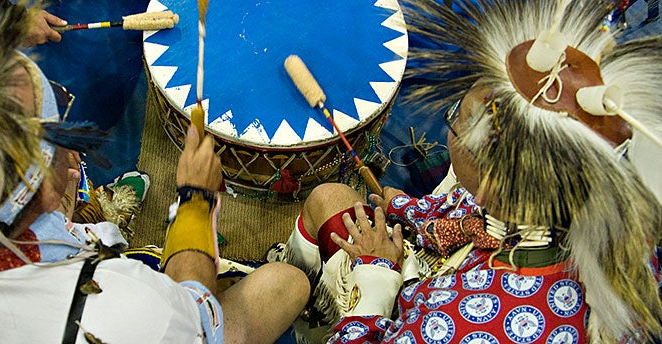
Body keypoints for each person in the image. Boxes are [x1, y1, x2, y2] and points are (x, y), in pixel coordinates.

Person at [0, 0, 309, 342]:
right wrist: (196, 203)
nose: (73, 154)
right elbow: (204, 324)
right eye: (62, 133)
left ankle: (94, 217)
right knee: (284, 284)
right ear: (48, 188)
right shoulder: (123, 311)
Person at [281, 0, 662, 343]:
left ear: (494, 182)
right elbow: (472, 214)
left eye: (455, 119)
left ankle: (308, 316)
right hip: (459, 272)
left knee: (322, 210)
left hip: (429, 305)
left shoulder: (459, 326)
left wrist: (375, 276)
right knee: (331, 198)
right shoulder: (568, 207)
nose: (451, 125)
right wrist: (407, 207)